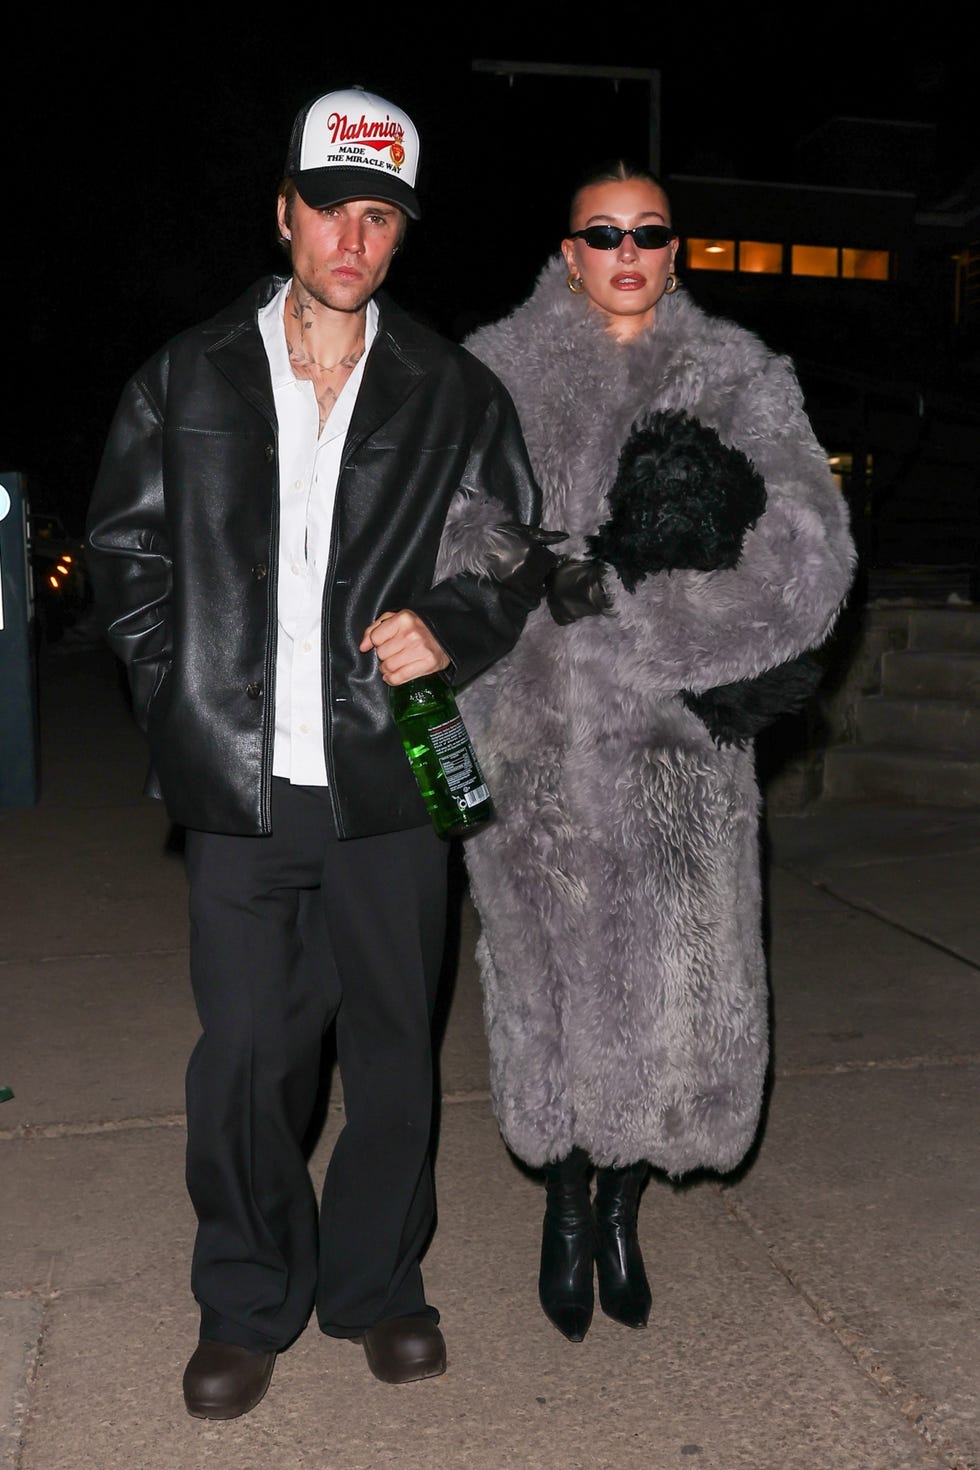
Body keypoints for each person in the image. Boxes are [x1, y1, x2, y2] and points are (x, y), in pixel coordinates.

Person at [84, 85, 561, 1420]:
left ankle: (378, 1289)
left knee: (397, 1051)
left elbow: (514, 554)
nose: (352, 238)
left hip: (388, 780)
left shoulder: (453, 389)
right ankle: (245, 1302)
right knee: (246, 1055)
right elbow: (121, 548)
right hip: (240, 785)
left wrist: (451, 627)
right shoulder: (186, 375)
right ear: (283, 212)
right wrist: (176, 684)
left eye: (381, 217)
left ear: (398, 236)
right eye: (330, 209)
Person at [458, 159, 857, 1343]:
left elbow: (808, 560)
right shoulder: (490, 372)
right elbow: (442, 522)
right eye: (602, 232)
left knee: (673, 995)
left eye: (649, 233)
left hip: (673, 753)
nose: (626, 250)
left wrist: (636, 605)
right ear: (566, 249)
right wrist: (526, 564)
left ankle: (625, 1200)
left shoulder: (735, 376)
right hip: (525, 741)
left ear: (674, 252)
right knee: (546, 984)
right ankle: (566, 1203)